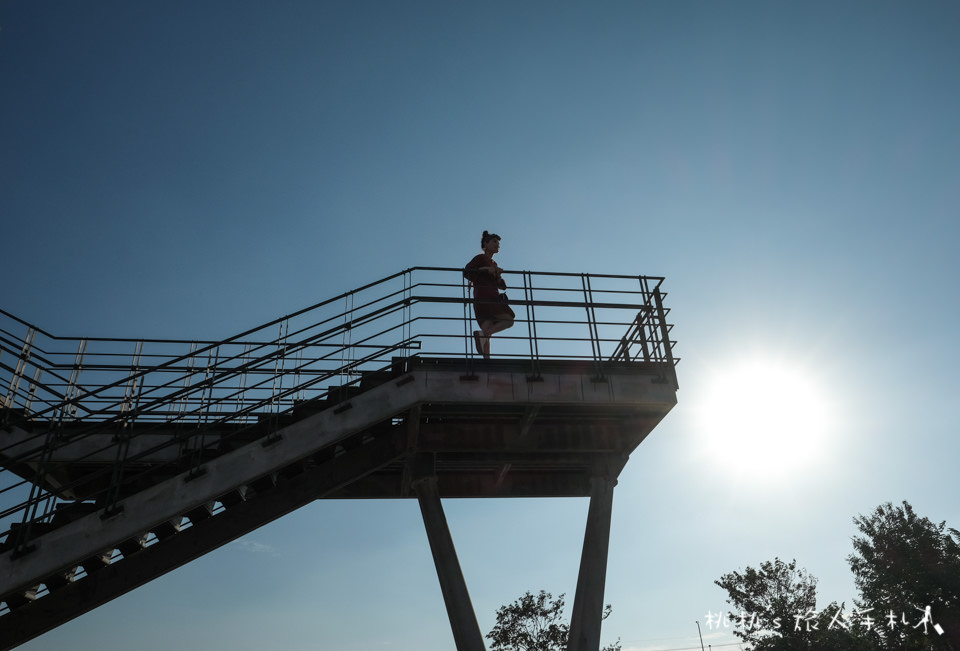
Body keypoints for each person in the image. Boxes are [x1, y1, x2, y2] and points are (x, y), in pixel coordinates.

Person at [463, 231, 515, 358]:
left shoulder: (494, 264)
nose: (498, 245)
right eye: (494, 242)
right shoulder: (480, 258)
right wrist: (486, 269)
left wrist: (498, 275)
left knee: (487, 331)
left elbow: (502, 285)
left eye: (498, 243)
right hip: (487, 296)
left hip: (483, 297)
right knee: (509, 319)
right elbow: (467, 272)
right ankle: (482, 336)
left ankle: (487, 361)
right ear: (486, 244)